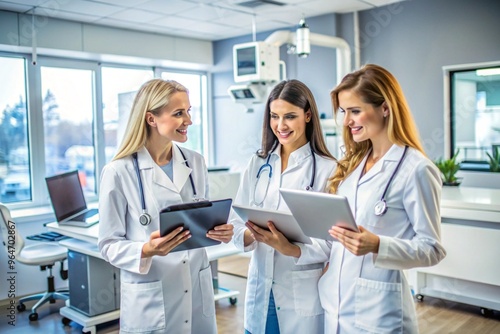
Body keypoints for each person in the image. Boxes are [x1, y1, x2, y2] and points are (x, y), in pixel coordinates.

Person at [292, 64, 447, 333]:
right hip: (335, 304)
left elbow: (432, 249)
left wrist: (378, 245)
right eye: (343, 112)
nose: (346, 121)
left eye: (355, 111)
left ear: (384, 108)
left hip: (379, 311)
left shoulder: (416, 169)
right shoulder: (353, 165)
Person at [98, 79, 233, 334]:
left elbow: (201, 221)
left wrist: (220, 232)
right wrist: (147, 249)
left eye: (189, 111)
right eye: (179, 113)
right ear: (151, 118)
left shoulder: (195, 162)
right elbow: (108, 245)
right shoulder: (118, 172)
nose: (189, 120)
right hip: (150, 297)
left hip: (195, 285)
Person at [230, 79, 337, 334]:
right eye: (274, 116)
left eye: (290, 116)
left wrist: (291, 249)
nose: (281, 126)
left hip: (300, 292)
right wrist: (250, 234)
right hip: (260, 288)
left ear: (308, 115)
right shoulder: (257, 164)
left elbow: (334, 243)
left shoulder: (328, 170)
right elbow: (235, 222)